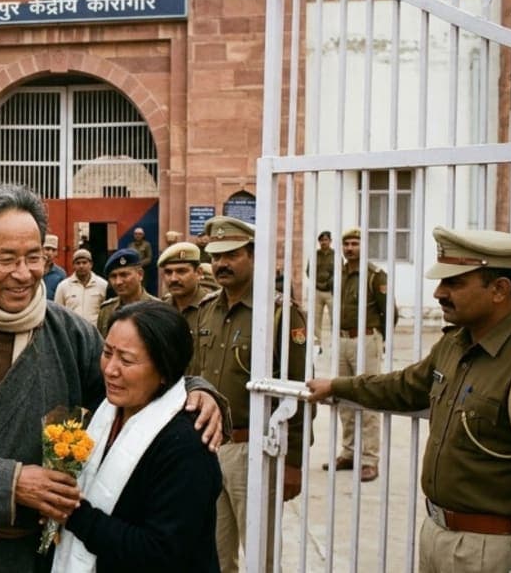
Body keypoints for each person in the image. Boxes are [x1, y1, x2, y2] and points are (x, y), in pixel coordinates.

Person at [0, 184, 227, 573]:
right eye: (6, 258)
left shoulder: (69, 332)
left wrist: (191, 389)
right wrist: (9, 483)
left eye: (34, 257)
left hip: (39, 556)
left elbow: (128, 384)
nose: (23, 274)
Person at [307, 227, 511, 573]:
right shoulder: (455, 344)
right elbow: (404, 386)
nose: (439, 292)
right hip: (436, 534)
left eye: (454, 282)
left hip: (490, 549)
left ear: (500, 289)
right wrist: (337, 386)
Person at [54, 301, 221, 573]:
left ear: (165, 371)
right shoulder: (105, 412)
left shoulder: (187, 446)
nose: (110, 369)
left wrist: (72, 514)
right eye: (107, 353)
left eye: (127, 360)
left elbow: (160, 552)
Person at [189, 215, 307, 573]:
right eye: (216, 256)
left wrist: (294, 463)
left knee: (260, 555)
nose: (221, 264)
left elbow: (297, 393)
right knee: (215, 553)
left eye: (231, 255)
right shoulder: (206, 311)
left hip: (253, 448)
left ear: (253, 256)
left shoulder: (278, 314)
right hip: (208, 445)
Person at [323, 226, 386, 482]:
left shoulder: (374, 276)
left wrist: (379, 341)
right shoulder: (338, 274)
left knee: (369, 397)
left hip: (366, 339)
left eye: (355, 244)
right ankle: (348, 452)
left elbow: (387, 312)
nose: (350, 248)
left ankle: (370, 459)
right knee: (343, 396)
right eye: (347, 244)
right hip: (342, 339)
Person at [157, 242, 218, 345]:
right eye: (168, 272)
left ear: (199, 273)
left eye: (181, 271)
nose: (173, 279)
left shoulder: (214, 309)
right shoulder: (160, 311)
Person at [96, 248, 158, 337]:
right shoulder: (106, 311)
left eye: (124, 275)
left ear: (140, 274)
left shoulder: (157, 309)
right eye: (113, 276)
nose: (118, 282)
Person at [55, 248, 108, 326]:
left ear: (91, 264)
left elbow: (107, 312)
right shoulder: (63, 286)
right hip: (72, 334)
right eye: (78, 263)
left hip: (95, 333)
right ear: (73, 265)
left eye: (84, 262)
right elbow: (57, 312)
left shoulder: (102, 285)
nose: (81, 266)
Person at [312, 230, 336, 349]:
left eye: (326, 240)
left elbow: (339, 272)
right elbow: (309, 271)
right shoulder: (315, 255)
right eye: (321, 240)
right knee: (316, 319)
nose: (323, 242)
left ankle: (335, 343)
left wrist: (330, 282)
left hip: (331, 292)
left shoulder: (335, 255)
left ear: (330, 241)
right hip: (318, 291)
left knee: (334, 318)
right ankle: (317, 344)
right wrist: (317, 282)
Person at [42, 234, 67, 300]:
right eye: (47, 249)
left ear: (56, 253)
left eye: (53, 250)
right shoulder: (33, 270)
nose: (50, 253)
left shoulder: (60, 274)